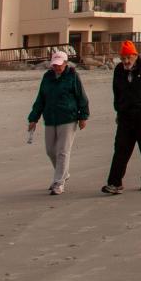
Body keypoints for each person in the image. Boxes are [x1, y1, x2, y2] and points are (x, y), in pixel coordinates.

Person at [102, 40, 141, 194]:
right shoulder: (119, 70)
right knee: (121, 148)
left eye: (128, 58)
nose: (126, 61)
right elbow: (116, 92)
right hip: (125, 115)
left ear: (135, 55)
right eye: (123, 58)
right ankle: (114, 183)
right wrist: (118, 111)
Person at [27, 49, 89, 195]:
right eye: (54, 64)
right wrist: (33, 118)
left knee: (62, 151)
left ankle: (58, 183)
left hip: (68, 118)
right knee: (50, 151)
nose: (57, 67)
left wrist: (83, 117)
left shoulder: (73, 76)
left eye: (59, 64)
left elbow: (82, 97)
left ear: (66, 63)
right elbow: (40, 99)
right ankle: (63, 173)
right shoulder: (47, 77)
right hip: (50, 118)